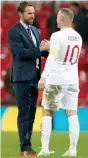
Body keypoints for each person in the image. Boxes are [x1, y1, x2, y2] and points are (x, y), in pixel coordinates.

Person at [38, 8, 82, 156]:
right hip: (73, 80)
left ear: (62, 18)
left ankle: (44, 149)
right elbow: (63, 52)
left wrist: (44, 76)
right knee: (72, 113)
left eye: (57, 17)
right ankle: (73, 149)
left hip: (57, 79)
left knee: (47, 112)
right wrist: (51, 46)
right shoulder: (77, 37)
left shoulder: (57, 35)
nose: (56, 19)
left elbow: (54, 57)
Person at [8, 1, 48, 156]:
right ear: (21, 13)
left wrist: (50, 49)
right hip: (22, 78)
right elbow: (21, 54)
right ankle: (24, 148)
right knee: (24, 113)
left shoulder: (35, 31)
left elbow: (40, 53)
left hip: (34, 77)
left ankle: (27, 146)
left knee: (31, 114)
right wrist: (39, 49)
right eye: (29, 13)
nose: (33, 15)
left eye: (33, 12)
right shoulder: (14, 31)